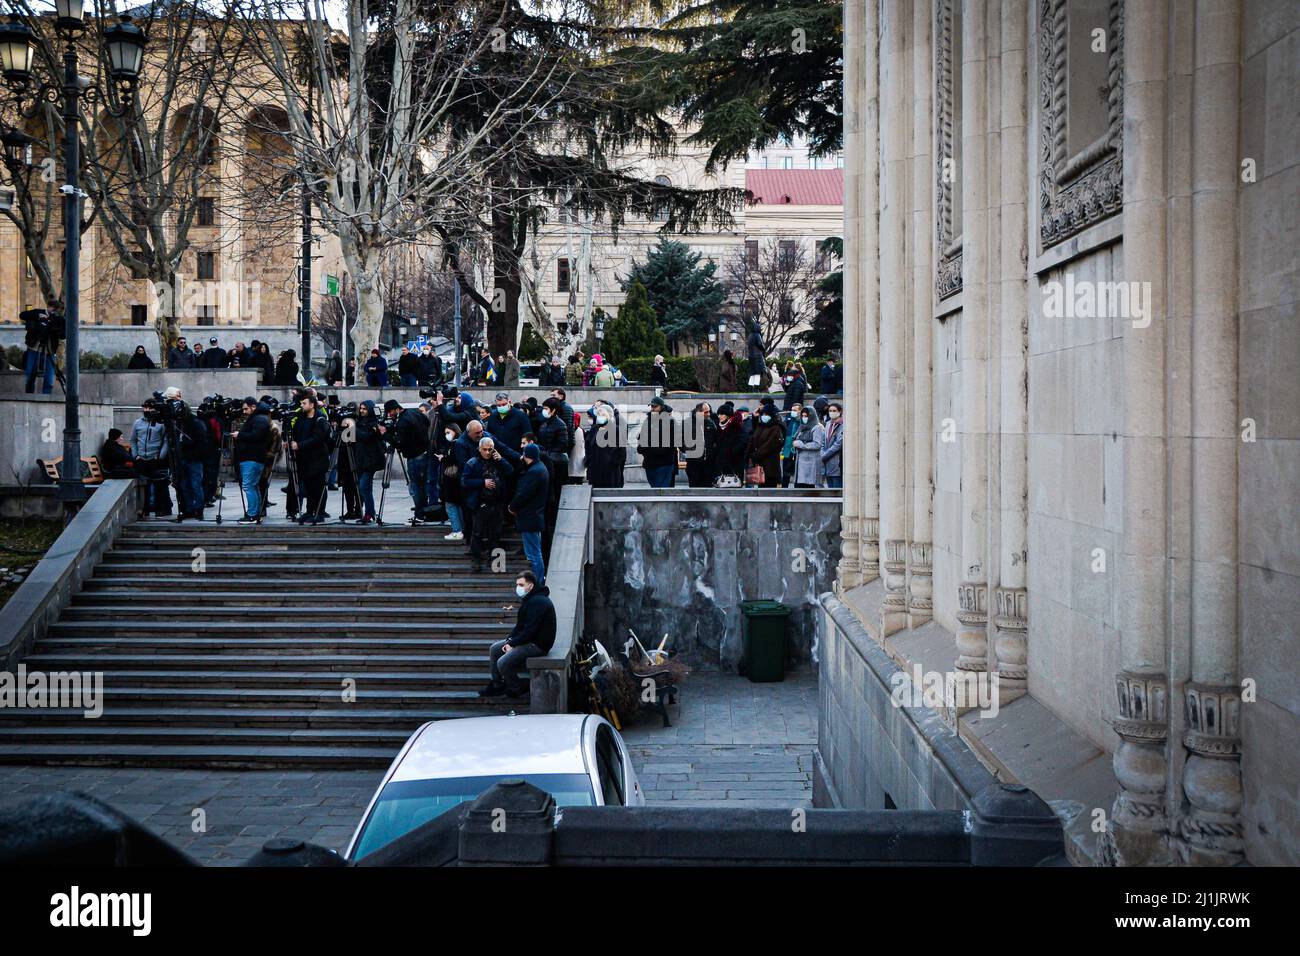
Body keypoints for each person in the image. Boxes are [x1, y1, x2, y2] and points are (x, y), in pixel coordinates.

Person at [481, 570, 555, 699]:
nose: (518, 588)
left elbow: (530, 631)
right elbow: (520, 626)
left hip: (537, 645)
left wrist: (513, 643)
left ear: (531, 586)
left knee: (502, 663)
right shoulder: (530, 599)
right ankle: (497, 684)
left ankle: (518, 687)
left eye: (521, 585)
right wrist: (509, 640)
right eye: (517, 585)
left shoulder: (539, 602)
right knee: (495, 649)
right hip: (528, 640)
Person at [462, 434, 520, 572]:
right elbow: (464, 481)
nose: (487, 452)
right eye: (485, 449)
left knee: (496, 532)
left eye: (490, 449)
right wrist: (482, 483)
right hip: (480, 502)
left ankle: (495, 562)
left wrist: (501, 460)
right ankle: (476, 559)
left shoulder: (497, 460)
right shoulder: (472, 463)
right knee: (477, 533)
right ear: (479, 449)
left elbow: (511, 471)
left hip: (497, 502)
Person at [382, 399, 431, 522]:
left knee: (415, 486)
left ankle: (420, 514)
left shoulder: (403, 422)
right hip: (424, 452)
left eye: (390, 412)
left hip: (414, 456)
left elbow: (399, 443)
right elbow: (427, 422)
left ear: (396, 409)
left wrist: (385, 434)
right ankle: (425, 512)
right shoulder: (414, 413)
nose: (389, 415)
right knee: (423, 485)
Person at [510, 443, 550, 584]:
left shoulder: (534, 472)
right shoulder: (540, 468)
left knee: (533, 554)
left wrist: (513, 506)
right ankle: (537, 580)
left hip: (529, 517)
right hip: (535, 516)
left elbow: (524, 493)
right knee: (535, 552)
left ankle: (537, 582)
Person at [290, 393, 332, 523]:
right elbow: (296, 432)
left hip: (318, 459)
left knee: (318, 486)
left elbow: (317, 438)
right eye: (301, 403)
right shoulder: (301, 418)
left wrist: (299, 445)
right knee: (308, 486)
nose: (301, 405)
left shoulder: (320, 419)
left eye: (304, 403)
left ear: (312, 405)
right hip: (304, 459)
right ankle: (309, 511)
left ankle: (319, 512)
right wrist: (291, 442)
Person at [232, 397, 271, 523]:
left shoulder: (259, 419)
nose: (243, 411)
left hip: (252, 458)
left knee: (248, 485)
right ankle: (255, 512)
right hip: (251, 457)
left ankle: (252, 514)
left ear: (253, 407)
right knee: (252, 486)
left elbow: (256, 436)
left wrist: (240, 435)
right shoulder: (259, 418)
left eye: (245, 408)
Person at [131, 400, 172, 516]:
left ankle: (162, 509)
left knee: (160, 485)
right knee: (144, 486)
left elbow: (165, 441)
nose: (147, 410)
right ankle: (146, 509)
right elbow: (133, 440)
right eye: (145, 407)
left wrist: (160, 457)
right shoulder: (137, 423)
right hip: (141, 459)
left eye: (150, 408)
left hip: (155, 459)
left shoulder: (161, 424)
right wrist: (135, 455)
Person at [349, 400, 385, 523]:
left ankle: (370, 513)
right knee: (365, 487)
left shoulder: (375, 423)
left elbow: (366, 437)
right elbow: (351, 439)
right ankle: (369, 513)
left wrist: (353, 428)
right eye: (361, 408)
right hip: (360, 459)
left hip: (371, 460)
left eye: (364, 409)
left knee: (364, 486)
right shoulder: (359, 422)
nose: (362, 411)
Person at [175, 402, 211, 519]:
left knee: (196, 485)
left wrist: (196, 455)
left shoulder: (196, 423)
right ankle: (189, 508)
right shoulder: (179, 423)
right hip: (183, 457)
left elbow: (203, 443)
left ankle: (198, 509)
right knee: (185, 485)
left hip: (194, 459)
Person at [638, 396, 680, 488]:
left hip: (664, 462)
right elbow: (642, 437)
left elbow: (674, 441)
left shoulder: (670, 421)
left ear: (661, 406)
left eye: (655, 406)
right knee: (654, 488)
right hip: (650, 462)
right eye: (651, 406)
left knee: (661, 489)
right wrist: (641, 449)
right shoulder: (648, 420)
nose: (652, 408)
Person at [583, 403, 624, 488]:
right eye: (598, 414)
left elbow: (620, 450)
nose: (600, 416)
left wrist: (612, 463)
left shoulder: (615, 429)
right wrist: (589, 462)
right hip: (595, 469)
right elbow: (588, 446)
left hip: (610, 471)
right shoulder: (594, 429)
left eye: (603, 414)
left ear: (609, 415)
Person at [746, 402, 784, 488]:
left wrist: (756, 455)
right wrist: (749, 455)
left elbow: (770, 445)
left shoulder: (776, 427)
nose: (764, 416)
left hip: (771, 467)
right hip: (760, 466)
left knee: (769, 490)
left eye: (766, 414)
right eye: (762, 414)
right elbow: (753, 438)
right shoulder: (760, 425)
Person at [685, 402, 718, 488]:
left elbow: (716, 439)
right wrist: (689, 450)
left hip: (708, 464)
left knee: (708, 490)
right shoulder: (688, 423)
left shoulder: (711, 423)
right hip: (693, 464)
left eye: (709, 411)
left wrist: (712, 452)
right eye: (706, 412)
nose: (709, 414)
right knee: (694, 489)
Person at [791, 405, 825, 488]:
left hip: (810, 463)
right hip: (800, 462)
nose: (804, 418)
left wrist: (801, 445)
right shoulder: (802, 427)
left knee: (807, 488)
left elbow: (817, 444)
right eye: (802, 416)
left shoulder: (817, 427)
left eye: (806, 416)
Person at [713, 401, 747, 484]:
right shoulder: (719, 427)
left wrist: (733, 451)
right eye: (718, 414)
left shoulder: (736, 426)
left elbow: (743, 442)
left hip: (735, 463)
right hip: (721, 464)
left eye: (722, 414)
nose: (719, 416)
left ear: (728, 415)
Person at [821, 402, 844, 489]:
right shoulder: (827, 424)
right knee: (830, 489)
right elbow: (823, 441)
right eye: (830, 410)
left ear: (839, 411)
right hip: (826, 463)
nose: (832, 412)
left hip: (836, 462)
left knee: (836, 488)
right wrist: (822, 453)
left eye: (834, 410)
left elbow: (838, 444)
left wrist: (825, 455)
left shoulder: (842, 425)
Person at [780, 403, 802, 488]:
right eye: (792, 410)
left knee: (797, 470)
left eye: (796, 410)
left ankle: (797, 488)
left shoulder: (802, 421)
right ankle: (784, 488)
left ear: (800, 411)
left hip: (797, 447)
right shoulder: (788, 419)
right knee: (785, 470)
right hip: (787, 447)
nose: (793, 412)